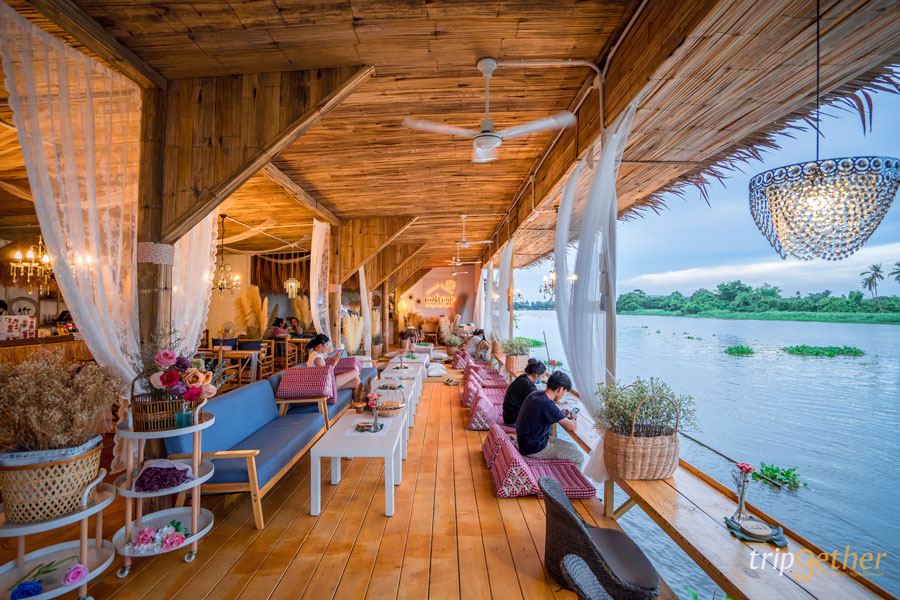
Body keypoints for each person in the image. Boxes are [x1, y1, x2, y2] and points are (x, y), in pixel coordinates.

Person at [515, 371, 583, 466]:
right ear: (560, 389)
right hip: (533, 448)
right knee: (579, 457)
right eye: (564, 392)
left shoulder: (535, 394)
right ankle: (568, 475)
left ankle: (565, 471)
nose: (563, 395)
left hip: (527, 442)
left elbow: (546, 413)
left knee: (573, 447)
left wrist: (560, 413)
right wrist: (574, 418)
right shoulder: (548, 404)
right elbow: (572, 427)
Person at [503, 358, 546, 425]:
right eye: (542, 376)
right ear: (536, 374)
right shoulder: (529, 386)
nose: (542, 379)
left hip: (508, 416)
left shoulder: (523, 378)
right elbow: (536, 406)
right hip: (513, 420)